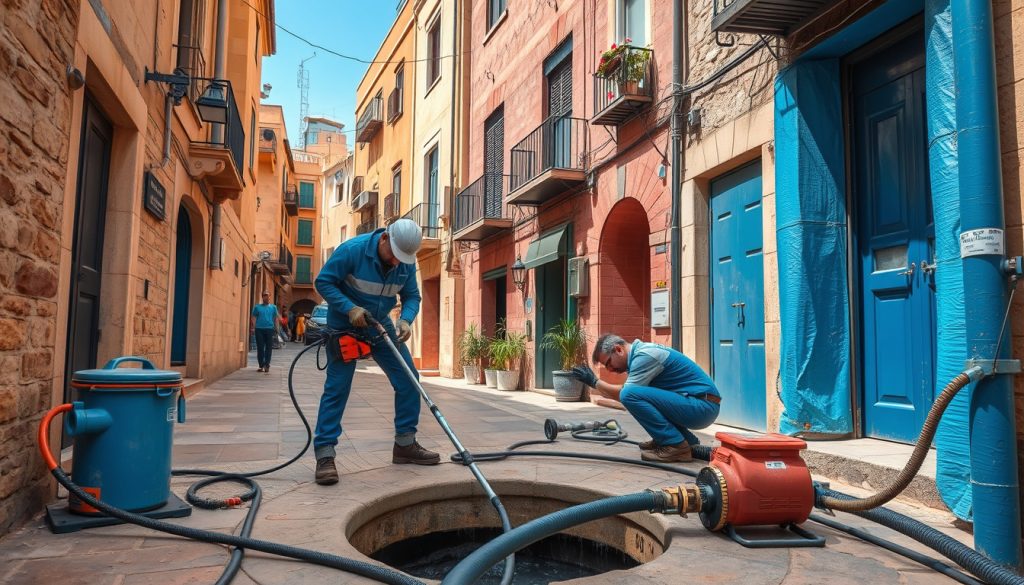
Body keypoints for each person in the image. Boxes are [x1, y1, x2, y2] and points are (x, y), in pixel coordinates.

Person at [312, 218, 439, 485]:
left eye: (401, 258)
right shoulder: (351, 250)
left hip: (380, 327)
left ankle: (405, 445)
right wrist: (349, 308)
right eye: (393, 255)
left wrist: (406, 318)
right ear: (384, 239)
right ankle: (325, 454)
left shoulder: (405, 261)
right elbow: (323, 282)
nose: (395, 262)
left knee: (409, 379)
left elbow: (412, 296)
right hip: (345, 327)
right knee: (337, 387)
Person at [569, 334, 721, 462]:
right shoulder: (640, 355)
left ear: (618, 349)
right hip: (698, 404)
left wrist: (595, 382)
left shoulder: (645, 356)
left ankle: (675, 446)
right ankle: (684, 441)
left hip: (702, 406)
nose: (610, 369)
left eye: (608, 363)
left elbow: (625, 395)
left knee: (629, 394)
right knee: (636, 393)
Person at [250, 292, 281, 373]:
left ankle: (267, 365)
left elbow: (275, 318)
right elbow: (253, 317)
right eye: (265, 296)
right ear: (262, 297)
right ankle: (261, 365)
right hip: (259, 329)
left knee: (268, 348)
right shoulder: (257, 307)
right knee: (260, 348)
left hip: (269, 329)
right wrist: (253, 327)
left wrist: (277, 328)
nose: (267, 298)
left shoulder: (273, 307)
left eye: (268, 296)